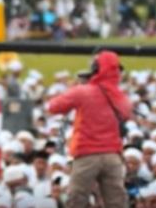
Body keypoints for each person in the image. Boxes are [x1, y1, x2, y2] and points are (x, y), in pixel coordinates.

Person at [46, 50, 131, 208]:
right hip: (113, 156)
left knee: (75, 200)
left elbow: (53, 107)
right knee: (116, 202)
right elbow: (126, 114)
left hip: (87, 155)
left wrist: (78, 86)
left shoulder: (83, 91)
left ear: (95, 68)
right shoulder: (121, 96)